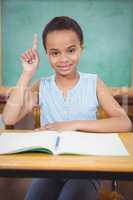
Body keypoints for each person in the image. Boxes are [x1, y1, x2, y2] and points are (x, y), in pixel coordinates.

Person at [2, 16, 132, 200]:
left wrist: (73, 124)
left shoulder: (93, 83)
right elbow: (9, 118)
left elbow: (124, 123)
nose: (64, 59)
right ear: (46, 54)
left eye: (70, 50)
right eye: (55, 53)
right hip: (50, 168)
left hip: (87, 169)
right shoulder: (42, 86)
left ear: (81, 48)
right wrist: (27, 73)